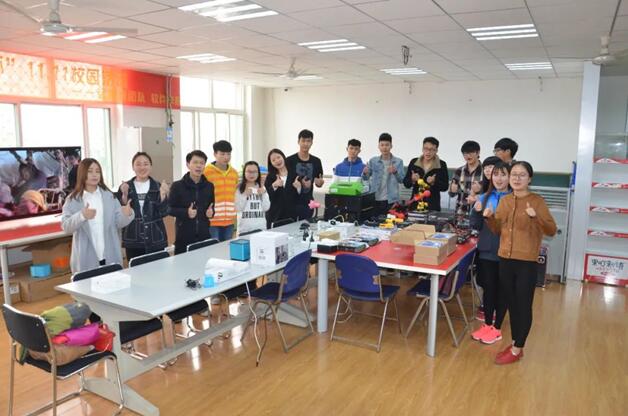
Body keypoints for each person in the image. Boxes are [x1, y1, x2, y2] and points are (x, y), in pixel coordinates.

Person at [485, 161, 557, 365]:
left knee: (523, 305)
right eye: (514, 174)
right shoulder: (505, 200)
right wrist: (489, 219)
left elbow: (551, 230)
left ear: (529, 179)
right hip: (505, 259)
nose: (516, 178)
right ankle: (516, 343)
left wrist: (536, 217)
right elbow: (497, 230)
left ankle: (517, 348)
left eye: (522, 175)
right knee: (512, 303)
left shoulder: (537, 201)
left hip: (526, 261)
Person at [61, 158, 134, 273]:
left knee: (113, 283)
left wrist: (127, 214)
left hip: (110, 255)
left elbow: (118, 222)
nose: (94, 175)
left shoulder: (109, 196)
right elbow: (66, 227)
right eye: (90, 171)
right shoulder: (73, 199)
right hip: (85, 258)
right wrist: (81, 216)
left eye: (97, 171)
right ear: (82, 173)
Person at [469, 161, 511, 345]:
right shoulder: (485, 197)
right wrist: (477, 212)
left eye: (503, 174)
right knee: (488, 288)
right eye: (495, 174)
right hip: (486, 249)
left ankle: (497, 328)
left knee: (503, 290)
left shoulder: (514, 199)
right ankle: (487, 324)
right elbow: (475, 225)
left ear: (509, 177)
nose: (499, 179)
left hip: (507, 251)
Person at [117, 152, 170, 262]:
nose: (142, 167)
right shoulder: (125, 187)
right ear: (133, 167)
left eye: (146, 164)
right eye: (138, 164)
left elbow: (164, 212)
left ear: (151, 166)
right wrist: (125, 195)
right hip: (133, 240)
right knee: (136, 270)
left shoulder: (158, 186)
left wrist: (163, 195)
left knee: (158, 269)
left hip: (156, 238)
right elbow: (121, 215)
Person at [169, 150, 215, 255]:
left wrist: (211, 213)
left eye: (202, 163)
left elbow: (212, 207)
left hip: (204, 236)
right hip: (183, 237)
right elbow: (169, 209)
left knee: (204, 263)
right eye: (195, 162)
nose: (199, 166)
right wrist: (186, 212)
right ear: (188, 164)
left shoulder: (209, 186)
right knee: (183, 265)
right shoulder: (177, 186)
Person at [362, 133, 405, 217]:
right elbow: (366, 178)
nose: (384, 147)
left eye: (387, 145)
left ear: (391, 146)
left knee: (390, 222)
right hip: (375, 199)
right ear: (378, 146)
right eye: (382, 145)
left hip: (391, 200)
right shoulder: (373, 161)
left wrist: (395, 172)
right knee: (374, 222)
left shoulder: (398, 162)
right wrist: (364, 173)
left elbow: (401, 180)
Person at [204, 140, 238, 242]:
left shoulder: (234, 173)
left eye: (228, 154)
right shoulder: (206, 172)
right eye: (222, 154)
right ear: (215, 154)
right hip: (212, 221)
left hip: (230, 221)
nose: (226, 157)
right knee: (214, 248)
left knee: (227, 248)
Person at [286, 129, 324, 220]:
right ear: (298, 142)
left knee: (305, 226)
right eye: (303, 141)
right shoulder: (289, 160)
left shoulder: (316, 161)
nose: (305, 144)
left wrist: (319, 183)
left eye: (308, 141)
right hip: (291, 202)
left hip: (307, 202)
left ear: (312, 143)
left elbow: (318, 183)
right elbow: (285, 181)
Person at [403, 137, 449, 211]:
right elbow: (406, 184)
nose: (428, 152)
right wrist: (412, 179)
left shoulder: (441, 164)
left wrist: (434, 182)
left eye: (431, 149)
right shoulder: (414, 162)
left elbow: (445, 187)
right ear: (422, 149)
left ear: (436, 150)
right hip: (415, 204)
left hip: (433, 205)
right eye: (426, 148)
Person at [264, 149, 298, 228]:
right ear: (271, 163)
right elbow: (265, 196)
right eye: (273, 160)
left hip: (291, 215)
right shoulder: (270, 177)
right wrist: (274, 186)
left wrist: (299, 187)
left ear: (283, 157)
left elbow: (300, 196)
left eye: (278, 157)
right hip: (275, 216)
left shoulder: (294, 174)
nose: (277, 161)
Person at [235, 161, 270, 236]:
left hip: (261, 228)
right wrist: (245, 195)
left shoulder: (261, 187)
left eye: (255, 172)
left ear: (258, 173)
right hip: (244, 230)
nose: (252, 174)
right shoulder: (239, 188)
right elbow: (238, 208)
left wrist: (263, 194)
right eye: (249, 171)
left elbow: (266, 207)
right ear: (244, 172)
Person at [449, 140, 483, 215]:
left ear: (478, 153)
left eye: (471, 153)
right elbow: (451, 194)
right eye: (465, 153)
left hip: (478, 213)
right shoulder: (459, 171)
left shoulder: (485, 171)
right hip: (460, 212)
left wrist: (480, 190)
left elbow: (490, 193)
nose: (468, 156)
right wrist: (452, 190)